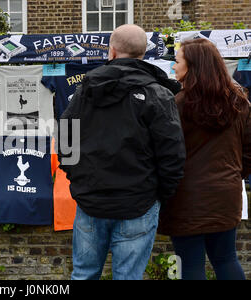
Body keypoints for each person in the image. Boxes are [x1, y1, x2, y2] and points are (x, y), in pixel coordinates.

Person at [58, 24, 186, 280]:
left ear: (112, 51)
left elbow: (64, 139)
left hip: (94, 199)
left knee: (83, 274)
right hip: (137, 202)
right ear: (143, 53)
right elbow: (172, 153)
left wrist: (76, 176)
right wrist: (160, 193)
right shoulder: (158, 93)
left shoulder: (85, 90)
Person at [158, 38, 251, 280]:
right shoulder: (239, 102)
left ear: (193, 66)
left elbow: (166, 155)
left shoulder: (176, 105)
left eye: (177, 62)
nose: (173, 67)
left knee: (189, 266)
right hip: (226, 194)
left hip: (186, 198)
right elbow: (249, 150)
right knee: (226, 259)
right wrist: (233, 173)